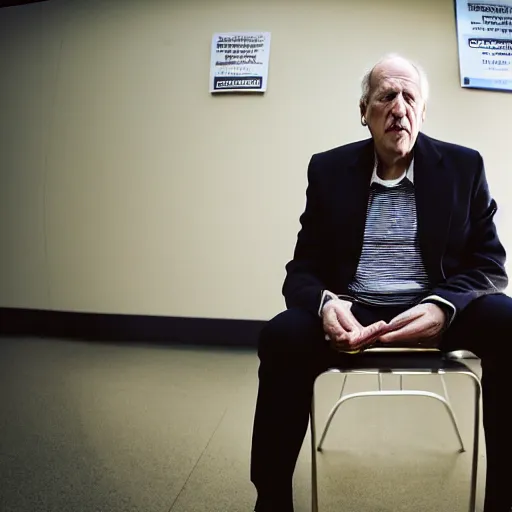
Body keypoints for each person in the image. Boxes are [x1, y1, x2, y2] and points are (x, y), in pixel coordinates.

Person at [250, 53, 511, 512]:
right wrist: (327, 304)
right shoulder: (328, 171)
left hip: (435, 306)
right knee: (281, 335)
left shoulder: (464, 167)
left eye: (410, 97)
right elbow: (302, 269)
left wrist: (442, 305)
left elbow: (491, 264)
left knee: (508, 321)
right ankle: (271, 500)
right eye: (386, 96)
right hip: (355, 309)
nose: (399, 107)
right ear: (363, 110)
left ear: (424, 111)